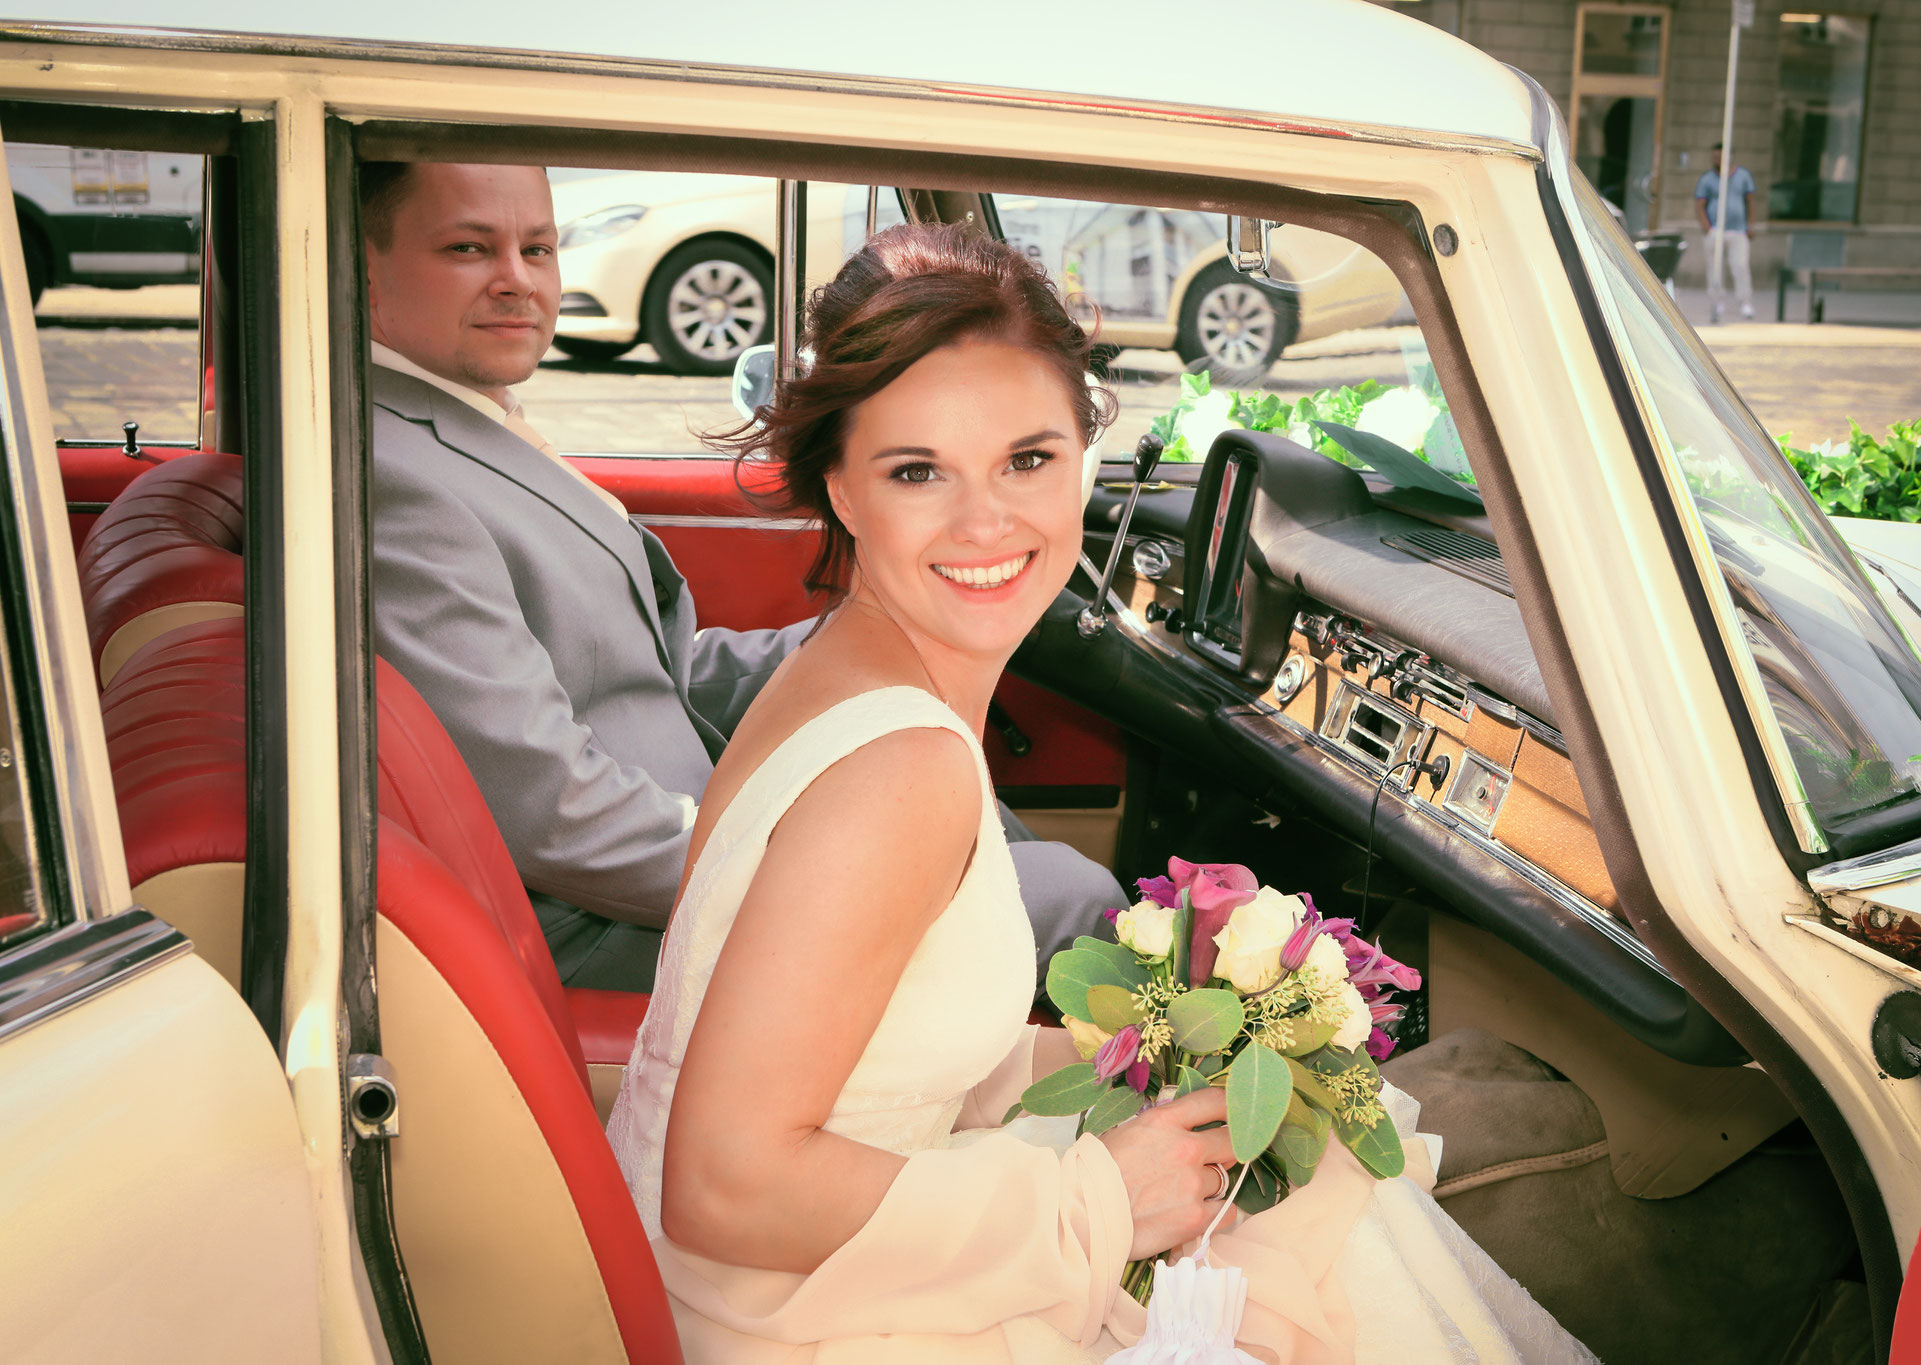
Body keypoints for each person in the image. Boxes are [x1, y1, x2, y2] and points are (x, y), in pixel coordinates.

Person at [606, 222, 1594, 1361]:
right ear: (839, 487)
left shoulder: (830, 672)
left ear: (1084, 454)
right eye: (916, 470)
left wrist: (1142, 1054)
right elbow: (723, 1190)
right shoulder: (897, 770)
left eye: (1026, 460)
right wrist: (1099, 1195)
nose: (985, 524)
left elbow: (870, 1057)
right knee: (1317, 1242)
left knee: (1301, 1177)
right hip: (794, 1317)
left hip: (783, 1266)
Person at [363, 161, 1122, 990]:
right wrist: (804, 864)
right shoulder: (397, 478)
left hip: (684, 839)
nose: (516, 281)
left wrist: (864, 643)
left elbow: (640, 670)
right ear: (363, 264)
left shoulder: (457, 424)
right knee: (1078, 897)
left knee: (976, 809)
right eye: (470, 248)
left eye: (537, 249)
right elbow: (550, 812)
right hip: (606, 928)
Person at [1695, 142, 1757, 322]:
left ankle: (1745, 302)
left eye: (1719, 156)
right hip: (1715, 230)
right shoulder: (1707, 178)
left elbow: (1751, 200)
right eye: (1714, 157)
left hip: (1738, 231)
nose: (1716, 160)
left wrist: (1751, 224)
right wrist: (1707, 228)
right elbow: (1699, 204)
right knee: (1714, 269)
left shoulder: (1743, 176)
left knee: (1740, 266)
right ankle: (1717, 302)